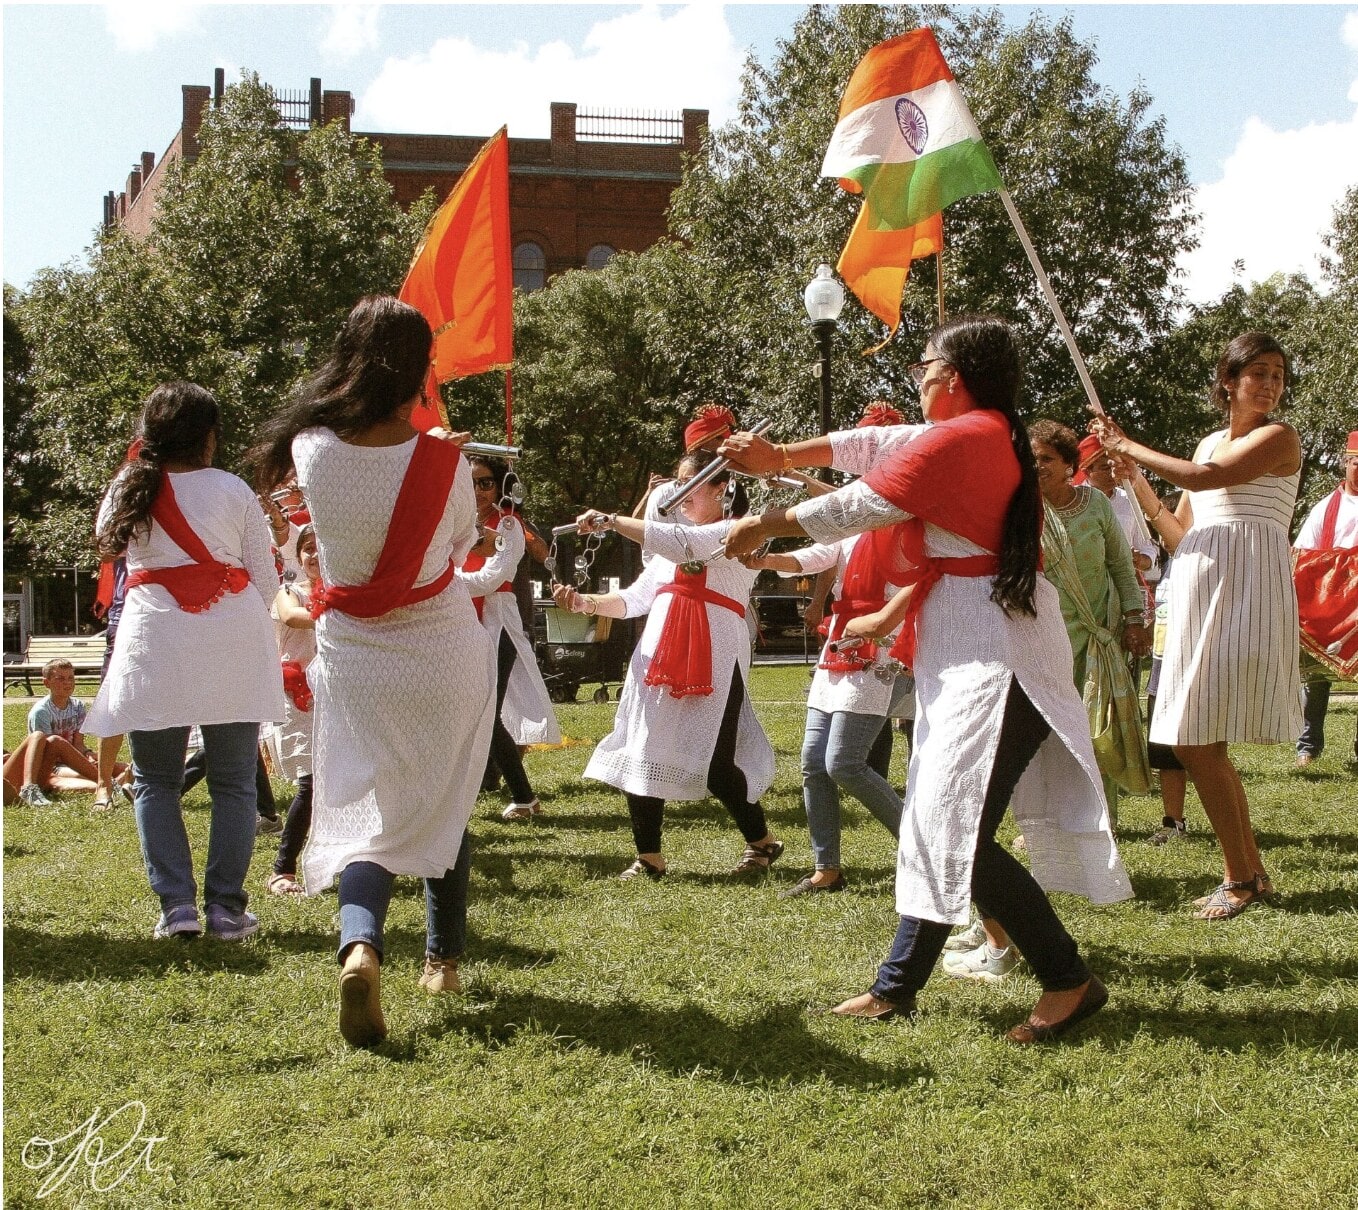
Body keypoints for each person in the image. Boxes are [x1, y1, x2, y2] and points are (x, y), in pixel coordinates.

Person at [722, 314, 1130, 1043]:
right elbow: (872, 444)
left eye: (924, 365)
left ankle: (1066, 980)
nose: (918, 376)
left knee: (955, 831)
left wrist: (763, 522)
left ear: (954, 375)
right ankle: (897, 988)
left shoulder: (969, 436)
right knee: (939, 821)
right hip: (979, 652)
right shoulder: (985, 430)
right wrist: (779, 453)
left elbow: (861, 502)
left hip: (995, 660)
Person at [251, 294, 496, 1048]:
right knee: (443, 800)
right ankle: (443, 961)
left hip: (352, 654)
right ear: (421, 368)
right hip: (442, 649)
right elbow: (458, 551)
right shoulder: (446, 462)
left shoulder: (310, 449)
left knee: (359, 816)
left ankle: (361, 946)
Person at [1094, 330, 1303, 920]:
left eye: (1277, 375)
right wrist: (1134, 479)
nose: (1268, 384)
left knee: (1195, 736)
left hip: (1246, 591)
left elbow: (1203, 479)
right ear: (1228, 382)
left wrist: (1130, 446)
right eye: (1257, 372)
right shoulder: (1210, 440)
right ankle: (1247, 875)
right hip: (1198, 586)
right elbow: (1178, 531)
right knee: (1198, 737)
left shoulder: (1278, 437)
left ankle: (1242, 877)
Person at [84, 382, 286, 941]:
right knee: (234, 783)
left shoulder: (130, 484)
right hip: (232, 638)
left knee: (155, 781)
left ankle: (177, 909)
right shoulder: (234, 489)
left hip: (155, 638)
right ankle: (226, 909)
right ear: (208, 436)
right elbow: (266, 578)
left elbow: (106, 542)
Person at [551, 450, 783, 881]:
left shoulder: (739, 534)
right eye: (676, 484)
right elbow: (634, 599)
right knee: (642, 747)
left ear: (723, 487)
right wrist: (585, 602)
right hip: (656, 656)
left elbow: (687, 544)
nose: (679, 493)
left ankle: (762, 842)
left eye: (692, 483)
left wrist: (612, 520)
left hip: (716, 654)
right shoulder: (667, 545)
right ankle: (649, 857)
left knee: (716, 759)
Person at [742, 401, 925, 897]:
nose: (866, 463)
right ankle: (827, 867)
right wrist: (766, 555)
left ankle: (924, 849)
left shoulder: (910, 504)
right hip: (841, 642)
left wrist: (797, 485)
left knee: (843, 761)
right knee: (811, 761)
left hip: (879, 644)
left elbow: (839, 513)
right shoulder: (860, 508)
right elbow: (822, 548)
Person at [459, 455, 560, 820]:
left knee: (485, 712)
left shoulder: (509, 526)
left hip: (494, 624)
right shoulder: (457, 524)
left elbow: (490, 578)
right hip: (457, 622)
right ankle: (491, 791)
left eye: (485, 482)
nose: (477, 491)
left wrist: (437, 585)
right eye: (469, 482)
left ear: (502, 486)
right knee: (470, 712)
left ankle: (524, 797)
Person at [1292, 429, 1358, 767]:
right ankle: (1308, 746)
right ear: (1346, 463)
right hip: (1331, 609)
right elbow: (1303, 556)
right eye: (1357, 463)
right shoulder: (1325, 509)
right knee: (1317, 679)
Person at [265, 525, 320, 895]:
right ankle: (282, 869)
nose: (314, 555)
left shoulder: (345, 593)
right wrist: (345, 610)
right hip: (299, 698)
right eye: (307, 548)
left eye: (322, 547)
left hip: (340, 698)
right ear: (297, 557)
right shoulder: (289, 591)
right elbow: (292, 616)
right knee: (310, 783)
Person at [14, 659, 102, 804]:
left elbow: (79, 744)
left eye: (70, 678)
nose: (67, 683)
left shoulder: (78, 706)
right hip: (53, 765)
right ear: (47, 683)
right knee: (84, 775)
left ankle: (119, 779)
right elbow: (48, 752)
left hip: (73, 758)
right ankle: (112, 783)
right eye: (60, 679)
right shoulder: (41, 711)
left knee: (111, 765)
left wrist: (87, 755)